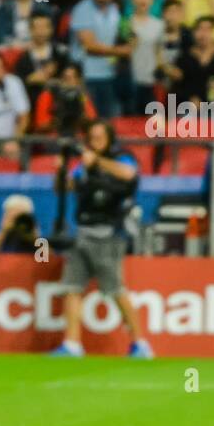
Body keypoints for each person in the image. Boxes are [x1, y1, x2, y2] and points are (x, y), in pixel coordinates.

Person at [49, 120, 153, 359]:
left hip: (109, 235)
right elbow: (64, 186)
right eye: (91, 138)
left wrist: (97, 161)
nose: (95, 142)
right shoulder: (84, 165)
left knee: (115, 289)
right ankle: (72, 344)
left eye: (99, 138)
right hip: (83, 231)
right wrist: (61, 169)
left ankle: (140, 343)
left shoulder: (121, 158)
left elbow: (129, 174)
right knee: (71, 288)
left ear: (109, 139)